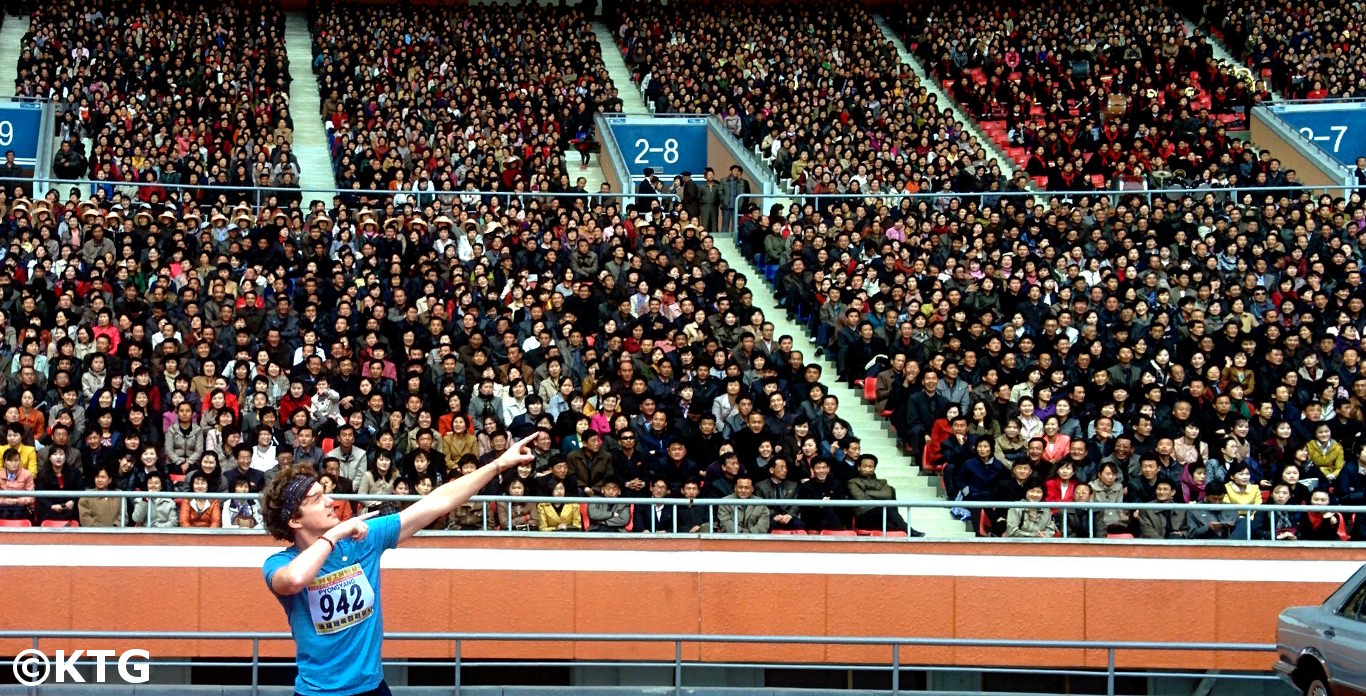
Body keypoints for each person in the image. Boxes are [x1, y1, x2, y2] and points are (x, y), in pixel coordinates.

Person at [262, 432, 536, 696]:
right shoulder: (280, 562)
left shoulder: (364, 539)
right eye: (317, 499)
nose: (331, 501)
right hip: (318, 693)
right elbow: (295, 579)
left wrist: (499, 464)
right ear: (295, 520)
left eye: (326, 493)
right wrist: (335, 533)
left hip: (372, 688)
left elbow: (437, 502)